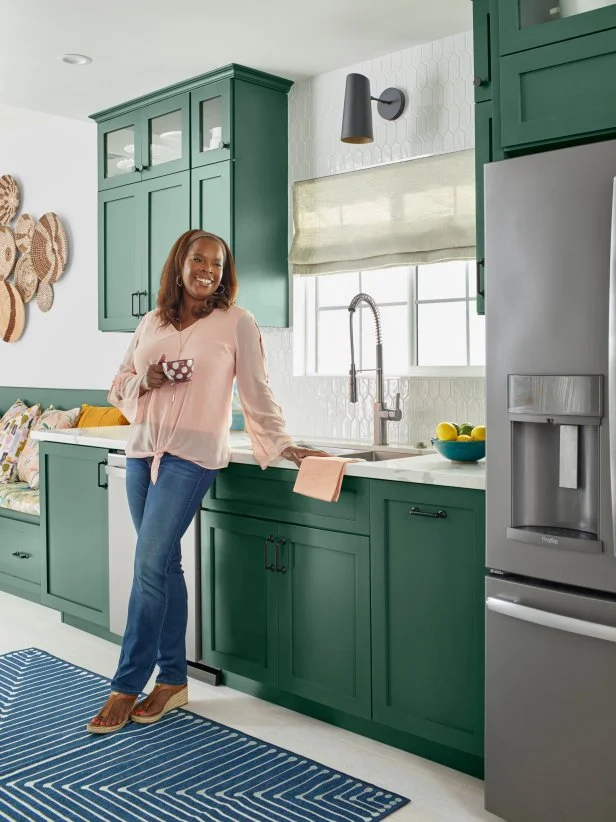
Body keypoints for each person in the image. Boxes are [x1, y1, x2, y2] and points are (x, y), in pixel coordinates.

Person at [87, 229, 327, 733]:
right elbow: (117, 384)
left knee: (148, 564)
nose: (208, 270)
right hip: (142, 454)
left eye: (217, 264)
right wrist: (145, 380)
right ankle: (173, 681)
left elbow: (257, 391)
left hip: (191, 458)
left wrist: (283, 444)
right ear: (180, 264)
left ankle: (125, 685)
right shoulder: (151, 321)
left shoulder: (237, 322)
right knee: (163, 565)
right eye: (199, 260)